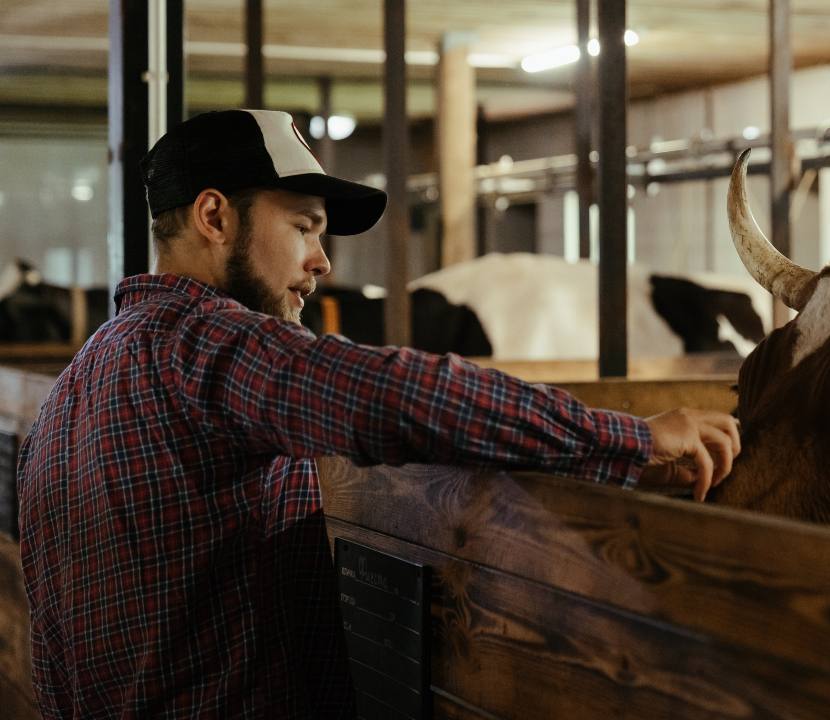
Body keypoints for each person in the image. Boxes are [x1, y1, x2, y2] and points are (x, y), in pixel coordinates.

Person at [17, 109, 740, 718]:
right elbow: (399, 397)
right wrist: (630, 437)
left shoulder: (79, 383)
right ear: (214, 216)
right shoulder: (208, 348)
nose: (321, 260)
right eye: (303, 226)